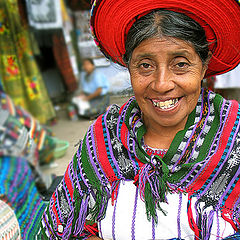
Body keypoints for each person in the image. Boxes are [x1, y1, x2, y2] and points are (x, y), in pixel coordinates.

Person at [39, 0, 240, 239]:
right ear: (129, 67)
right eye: (145, 65)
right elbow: (65, 226)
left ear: (203, 66)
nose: (162, 84)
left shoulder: (234, 135)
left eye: (181, 64)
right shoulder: (105, 135)